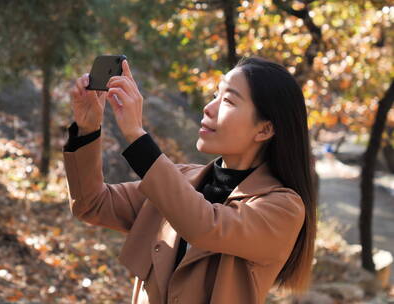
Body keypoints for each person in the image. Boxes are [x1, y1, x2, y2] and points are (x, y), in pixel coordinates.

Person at [62, 56, 317, 304]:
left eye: (228, 100)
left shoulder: (283, 207)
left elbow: (204, 226)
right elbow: (91, 203)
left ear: (264, 129)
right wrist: (88, 128)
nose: (209, 107)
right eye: (216, 95)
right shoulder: (181, 179)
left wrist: (136, 136)